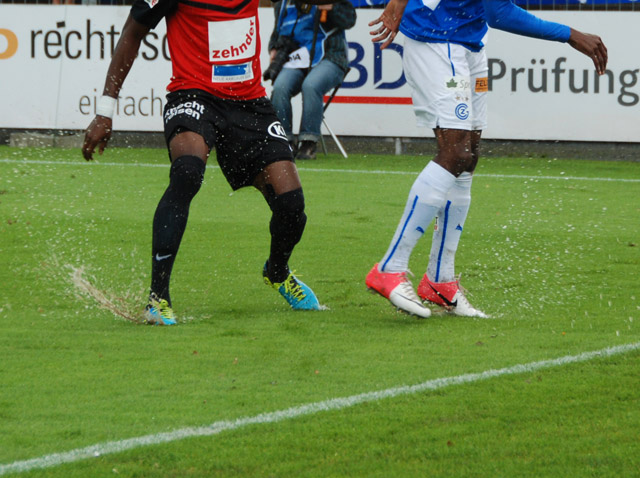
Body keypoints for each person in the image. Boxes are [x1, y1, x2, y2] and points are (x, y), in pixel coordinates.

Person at [81, 0, 334, 325]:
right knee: (187, 172)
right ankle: (158, 299)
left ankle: (277, 272)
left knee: (291, 203)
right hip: (193, 96)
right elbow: (132, 32)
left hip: (249, 103)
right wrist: (105, 111)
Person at [365, 0, 608, 318]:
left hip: (470, 44)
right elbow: (500, 13)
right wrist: (570, 34)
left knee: (468, 158)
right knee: (455, 153)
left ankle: (440, 281)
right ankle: (390, 267)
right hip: (436, 40)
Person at [264, 0, 356, 160]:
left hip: (331, 57)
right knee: (280, 88)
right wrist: (273, 49)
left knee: (311, 85)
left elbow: (349, 20)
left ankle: (309, 142)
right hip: (297, 60)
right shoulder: (282, 4)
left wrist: (332, 8)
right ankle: (284, 141)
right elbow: (276, 36)